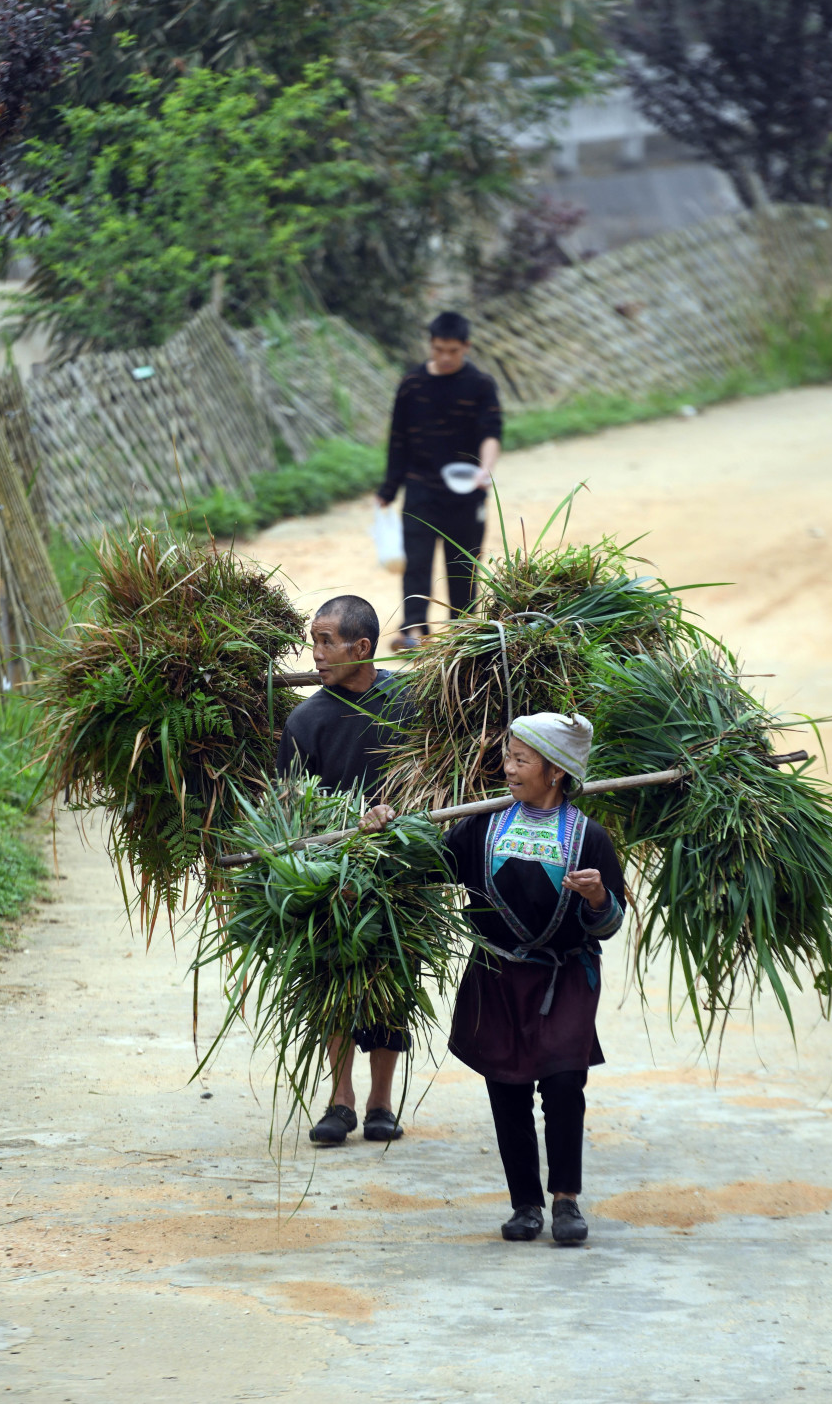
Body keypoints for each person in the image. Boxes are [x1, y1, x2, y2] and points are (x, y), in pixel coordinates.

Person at [440, 712, 625, 1246]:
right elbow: (427, 867)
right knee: (506, 1085)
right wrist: (386, 829)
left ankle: (565, 1199)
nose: (508, 769)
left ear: (557, 773)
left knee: (565, 1082)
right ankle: (525, 1204)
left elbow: (610, 925)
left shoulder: (590, 837)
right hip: (496, 972)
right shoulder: (482, 825)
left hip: (563, 976)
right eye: (508, 757)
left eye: (522, 760)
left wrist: (595, 898)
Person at [275, 593, 408, 1148]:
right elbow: (289, 806)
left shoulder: (410, 702)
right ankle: (340, 1098)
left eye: (328, 642)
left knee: (391, 980)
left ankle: (381, 1100)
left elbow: (435, 772)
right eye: (314, 641)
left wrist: (396, 817)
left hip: (401, 862)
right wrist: (347, 821)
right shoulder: (305, 720)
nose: (317, 654)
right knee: (331, 979)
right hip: (329, 871)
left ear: (363, 647)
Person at [378, 310, 502, 651]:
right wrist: (388, 489)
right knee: (416, 563)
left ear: (466, 346)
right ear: (430, 345)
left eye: (453, 351)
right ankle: (414, 630)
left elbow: (491, 432)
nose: (445, 357)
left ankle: (463, 634)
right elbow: (398, 439)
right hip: (421, 489)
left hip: (466, 493)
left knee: (463, 566)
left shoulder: (480, 385)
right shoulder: (412, 384)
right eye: (438, 349)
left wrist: (485, 470)